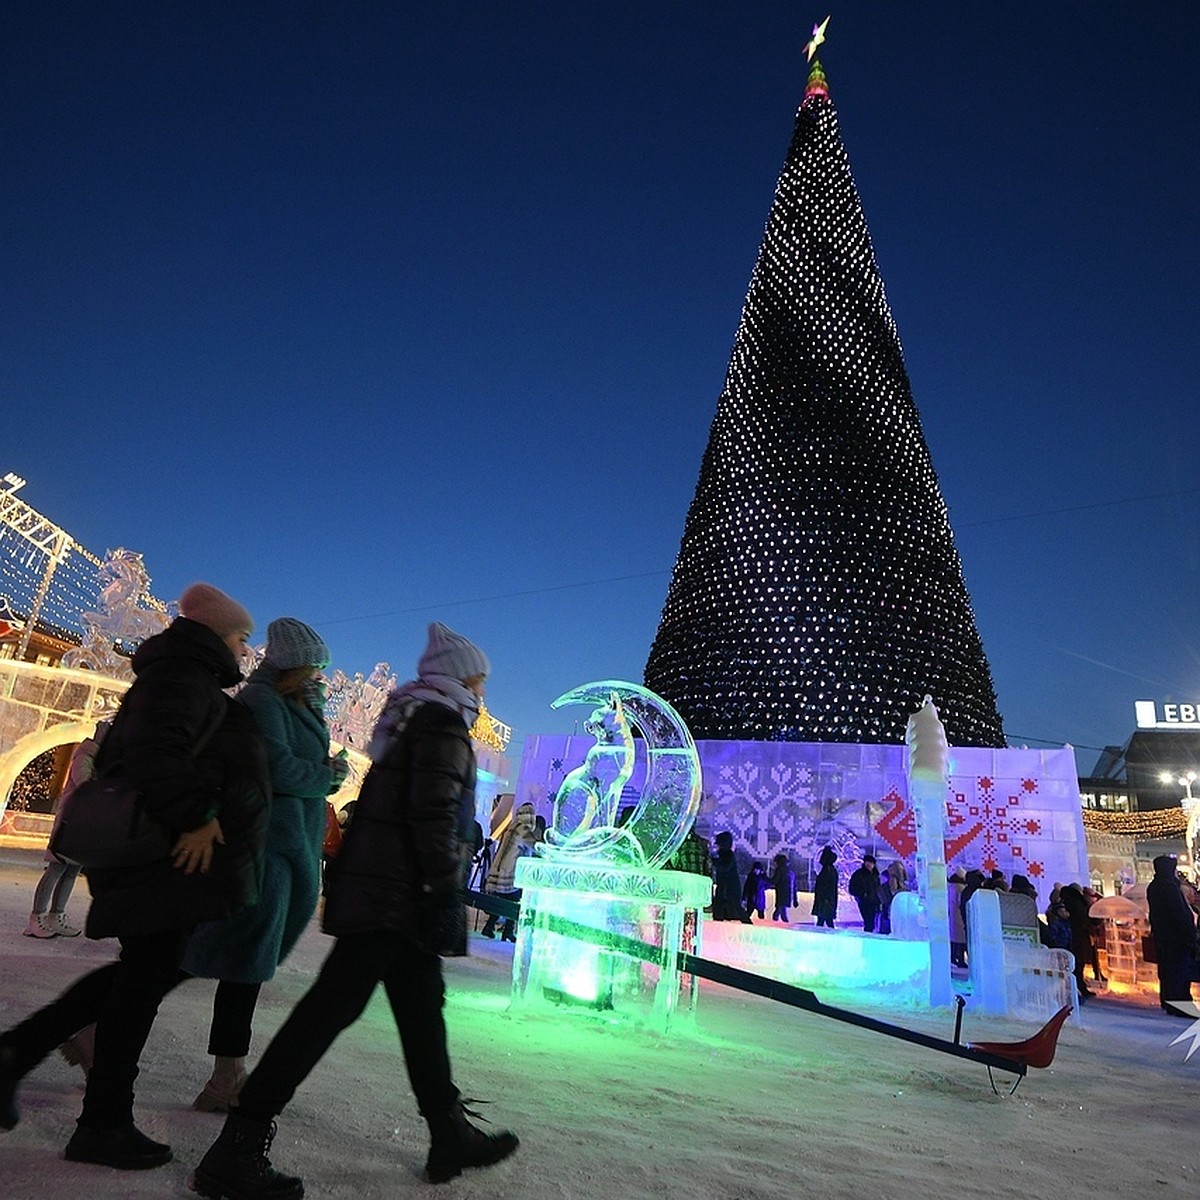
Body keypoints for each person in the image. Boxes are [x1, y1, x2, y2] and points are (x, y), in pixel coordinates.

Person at [192, 621, 518, 1198]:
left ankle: (448, 1132)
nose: (484, 689)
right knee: (325, 1014)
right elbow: (434, 817)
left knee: (421, 1014)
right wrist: (443, 886)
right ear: (462, 677)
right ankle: (236, 1149)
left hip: (385, 893)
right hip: (399, 897)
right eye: (480, 677)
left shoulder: (411, 720)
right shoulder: (442, 724)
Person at [0, 582, 268, 1170]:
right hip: (164, 858)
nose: (246, 651)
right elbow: (156, 753)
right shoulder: (181, 677)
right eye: (243, 638)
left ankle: (20, 1058)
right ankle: (100, 1122)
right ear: (217, 634)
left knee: (141, 978)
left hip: (167, 860)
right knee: (141, 985)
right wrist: (198, 816)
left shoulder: (184, 675)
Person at [183, 617, 348, 1112]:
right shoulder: (261, 701)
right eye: (315, 667)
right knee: (236, 961)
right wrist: (326, 775)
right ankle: (225, 1077)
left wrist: (326, 766)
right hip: (263, 848)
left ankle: (100, 1028)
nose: (322, 677)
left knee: (222, 958)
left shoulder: (298, 703)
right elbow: (274, 767)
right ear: (293, 666)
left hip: (286, 847)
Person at [23, 726, 109, 938]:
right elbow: (85, 786)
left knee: (72, 871)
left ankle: (57, 915)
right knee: (56, 869)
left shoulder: (102, 761)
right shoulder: (85, 756)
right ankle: (37, 918)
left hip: (87, 826)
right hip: (71, 824)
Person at [1147, 854, 1199, 1015]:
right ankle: (1180, 1005)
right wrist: (1189, 935)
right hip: (1176, 939)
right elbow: (1179, 914)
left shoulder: (1155, 886)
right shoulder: (1168, 887)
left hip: (1165, 938)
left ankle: (1170, 1002)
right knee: (1178, 972)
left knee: (1169, 972)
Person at [479, 801, 537, 942]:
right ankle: (508, 931)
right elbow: (535, 846)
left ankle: (489, 926)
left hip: (500, 870)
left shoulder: (511, 827)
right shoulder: (524, 831)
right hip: (512, 873)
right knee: (514, 901)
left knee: (502, 900)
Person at [711, 831, 747, 921]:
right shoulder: (724, 854)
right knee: (722, 906)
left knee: (734, 907)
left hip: (729, 887)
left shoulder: (728, 854)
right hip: (726, 887)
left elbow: (724, 867)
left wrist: (713, 861)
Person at [848, 855, 882, 932]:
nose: (869, 865)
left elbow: (878, 889)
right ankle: (868, 938)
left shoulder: (875, 875)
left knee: (871, 924)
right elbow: (852, 888)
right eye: (867, 862)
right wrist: (863, 894)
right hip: (864, 902)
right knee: (868, 923)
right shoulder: (859, 874)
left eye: (871, 863)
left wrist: (879, 900)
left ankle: (869, 938)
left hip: (874, 902)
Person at [812, 846, 838, 928]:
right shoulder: (830, 869)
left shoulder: (827, 870)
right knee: (826, 920)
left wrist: (825, 899)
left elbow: (825, 886)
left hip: (825, 900)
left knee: (823, 920)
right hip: (827, 900)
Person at [947, 868, 967, 966]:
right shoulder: (960, 888)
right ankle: (961, 959)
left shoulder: (949, 887)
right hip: (959, 915)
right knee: (961, 939)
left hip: (951, 914)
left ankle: (953, 957)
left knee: (953, 938)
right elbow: (961, 901)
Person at [769, 852, 796, 923]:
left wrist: (765, 878)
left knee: (778, 912)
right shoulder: (790, 872)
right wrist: (795, 899)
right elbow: (794, 886)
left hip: (781, 894)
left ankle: (778, 927)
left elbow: (775, 880)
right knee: (781, 912)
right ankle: (785, 927)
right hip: (787, 895)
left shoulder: (779, 869)